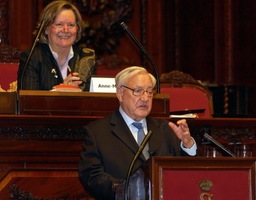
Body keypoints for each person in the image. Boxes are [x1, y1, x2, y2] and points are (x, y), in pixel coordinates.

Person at [78, 66, 202, 199]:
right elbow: (91, 177)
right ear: (120, 93)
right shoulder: (97, 132)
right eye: (138, 91)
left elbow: (193, 174)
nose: (145, 98)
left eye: (149, 92)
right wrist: (127, 189)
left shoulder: (167, 128)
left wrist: (188, 145)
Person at [17, 0, 96, 91]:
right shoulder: (32, 58)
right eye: (59, 24)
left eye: (71, 25)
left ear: (77, 29)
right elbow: (28, 101)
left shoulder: (86, 58)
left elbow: (91, 100)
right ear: (46, 28)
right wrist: (61, 91)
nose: (65, 30)